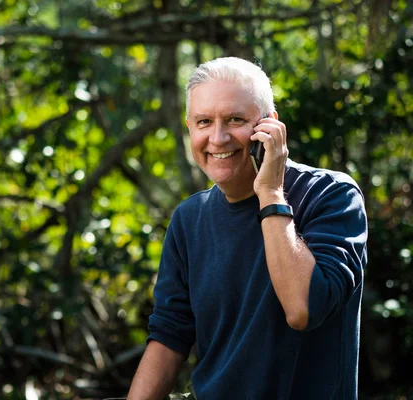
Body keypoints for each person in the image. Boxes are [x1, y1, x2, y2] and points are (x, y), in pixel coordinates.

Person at [126, 57, 368, 399]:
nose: (218, 137)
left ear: (270, 127)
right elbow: (169, 336)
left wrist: (270, 193)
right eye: (204, 121)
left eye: (235, 119)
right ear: (189, 127)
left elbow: (302, 309)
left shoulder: (332, 195)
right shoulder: (188, 219)